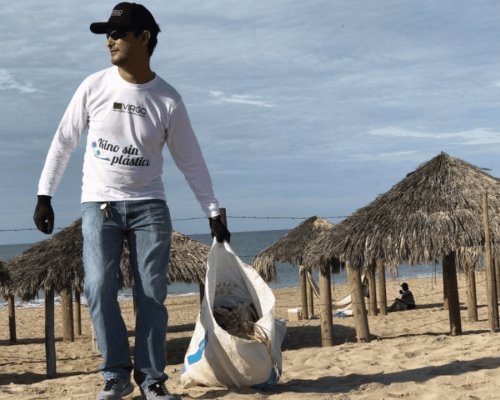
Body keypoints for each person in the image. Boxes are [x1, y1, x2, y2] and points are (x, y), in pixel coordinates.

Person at [33, 3, 230, 399]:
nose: (111, 40)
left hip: (149, 207)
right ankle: (115, 375)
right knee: (100, 285)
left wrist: (212, 211)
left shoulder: (168, 99)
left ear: (144, 38)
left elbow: (190, 160)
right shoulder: (93, 86)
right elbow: (63, 141)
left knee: (151, 293)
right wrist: (44, 195)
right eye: (108, 34)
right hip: (99, 205)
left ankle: (153, 379)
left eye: (119, 33)